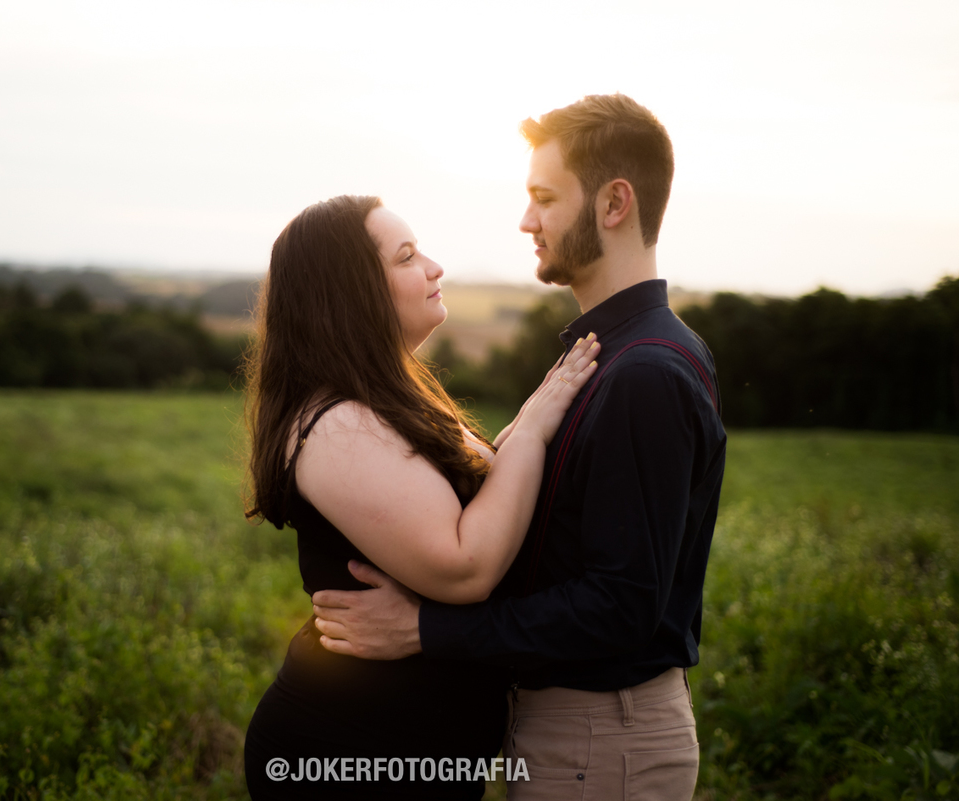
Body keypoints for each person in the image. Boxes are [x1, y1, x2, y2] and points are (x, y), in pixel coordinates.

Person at [312, 94, 727, 800]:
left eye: (543, 198)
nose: (526, 221)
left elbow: (618, 608)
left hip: (604, 734)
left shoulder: (644, 373)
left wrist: (427, 629)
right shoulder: (609, 354)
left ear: (614, 203)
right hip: (580, 734)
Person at [241, 194, 601, 800]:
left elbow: (477, 488)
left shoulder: (384, 400)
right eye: (406, 257)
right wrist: (533, 428)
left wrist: (521, 429)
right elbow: (463, 568)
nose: (435, 267)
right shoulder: (336, 424)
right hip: (348, 755)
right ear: (349, 292)